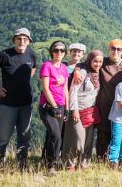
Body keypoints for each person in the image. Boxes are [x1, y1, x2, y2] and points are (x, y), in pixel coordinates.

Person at [73, 39, 122, 159]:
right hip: (104, 106)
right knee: (104, 134)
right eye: (113, 48)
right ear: (109, 49)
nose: (116, 51)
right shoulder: (103, 62)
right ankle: (102, 160)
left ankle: (119, 159)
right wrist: (77, 71)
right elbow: (85, 64)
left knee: (121, 135)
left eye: (119, 49)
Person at [0, 28, 37, 169]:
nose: (22, 41)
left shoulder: (31, 54)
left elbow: (34, 68)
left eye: (25, 39)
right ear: (14, 40)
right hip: (8, 104)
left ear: (29, 41)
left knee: (24, 136)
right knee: (3, 137)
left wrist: (26, 80)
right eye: (19, 38)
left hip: (26, 103)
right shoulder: (4, 55)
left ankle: (21, 164)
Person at [63, 50, 103, 171]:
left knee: (88, 140)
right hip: (78, 110)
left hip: (90, 111)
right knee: (77, 139)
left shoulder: (98, 74)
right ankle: (70, 163)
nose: (97, 64)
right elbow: (73, 91)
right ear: (89, 60)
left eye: (100, 62)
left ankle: (84, 163)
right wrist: (74, 110)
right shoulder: (82, 72)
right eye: (95, 61)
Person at [38, 40, 69, 174]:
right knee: (55, 134)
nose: (59, 53)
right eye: (56, 50)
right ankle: (52, 165)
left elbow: (65, 89)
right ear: (52, 52)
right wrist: (55, 106)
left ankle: (45, 161)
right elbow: (45, 88)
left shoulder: (64, 68)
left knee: (54, 135)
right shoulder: (47, 66)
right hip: (48, 107)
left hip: (61, 106)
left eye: (62, 50)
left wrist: (66, 108)